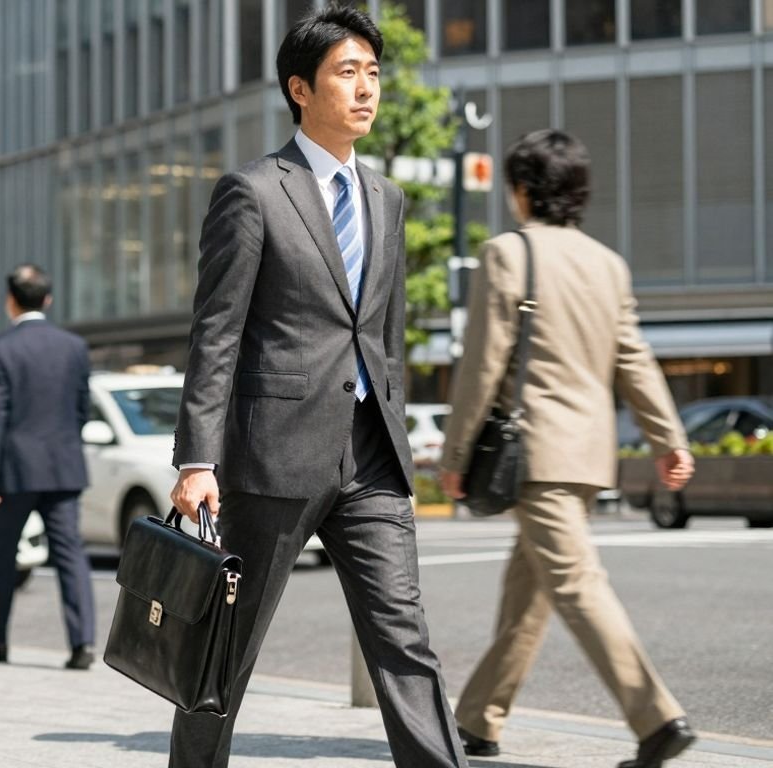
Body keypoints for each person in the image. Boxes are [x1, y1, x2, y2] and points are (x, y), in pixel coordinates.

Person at [168, 8, 467, 767]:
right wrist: (197, 460)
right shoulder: (255, 191)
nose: (366, 89)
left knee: (404, 640)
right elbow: (218, 332)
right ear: (300, 89)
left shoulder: (388, 200)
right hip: (274, 458)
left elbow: (385, 335)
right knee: (225, 654)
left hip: (369, 455)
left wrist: (397, 432)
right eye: (347, 72)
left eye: (372, 72)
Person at [439, 129, 697, 768]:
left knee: (576, 583)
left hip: (535, 456)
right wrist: (667, 438)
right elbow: (634, 360)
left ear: (523, 191)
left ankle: (657, 718)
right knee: (528, 591)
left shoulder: (507, 254)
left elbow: (481, 366)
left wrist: (452, 458)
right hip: (585, 457)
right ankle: (478, 719)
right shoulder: (608, 264)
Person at [0, 264, 96, 671]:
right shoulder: (74, 346)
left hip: (15, 469)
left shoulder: (0, 348)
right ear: (48, 299)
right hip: (62, 467)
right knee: (70, 554)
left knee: (3, 556)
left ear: (10, 300)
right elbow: (81, 409)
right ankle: (82, 644)